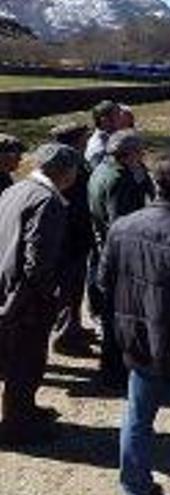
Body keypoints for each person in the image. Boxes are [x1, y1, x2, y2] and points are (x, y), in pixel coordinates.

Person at [98, 154, 170, 495]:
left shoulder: (121, 227)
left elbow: (104, 283)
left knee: (137, 418)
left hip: (137, 340)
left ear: (157, 184)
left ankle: (134, 485)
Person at [0, 144, 80, 445]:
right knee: (26, 362)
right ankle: (18, 426)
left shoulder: (15, 189)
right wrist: (48, 295)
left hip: (6, 288)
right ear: (65, 171)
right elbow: (38, 261)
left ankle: (23, 411)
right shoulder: (48, 201)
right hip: (26, 299)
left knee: (14, 360)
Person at [88, 130, 155, 386]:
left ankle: (112, 367)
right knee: (117, 314)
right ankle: (113, 372)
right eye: (140, 151)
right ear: (128, 154)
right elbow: (121, 224)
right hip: (119, 255)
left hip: (105, 247)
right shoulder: (119, 180)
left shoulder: (103, 169)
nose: (143, 156)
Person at [49, 123, 98, 357]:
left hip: (76, 236)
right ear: (74, 140)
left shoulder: (73, 161)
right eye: (84, 137)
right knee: (68, 288)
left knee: (75, 288)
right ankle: (64, 337)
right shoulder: (65, 165)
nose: (87, 140)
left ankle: (74, 328)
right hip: (69, 238)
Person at [85, 100, 121, 169]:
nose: (121, 118)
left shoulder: (112, 137)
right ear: (104, 120)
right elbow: (97, 174)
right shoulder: (98, 148)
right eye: (117, 115)